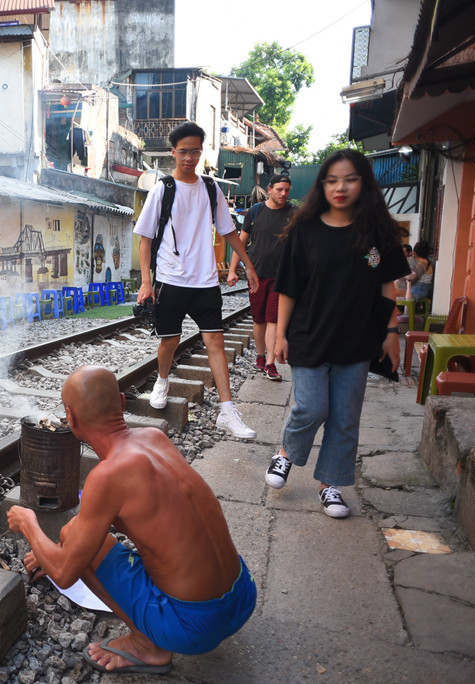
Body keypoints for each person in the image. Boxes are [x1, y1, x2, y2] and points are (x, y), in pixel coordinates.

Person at [7, 366, 255, 674]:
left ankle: (146, 646)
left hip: (194, 627)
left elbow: (65, 572)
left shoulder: (108, 477)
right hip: (243, 595)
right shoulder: (154, 437)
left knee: (71, 535)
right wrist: (55, 552)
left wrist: (28, 523)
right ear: (122, 404)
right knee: (78, 538)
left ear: (70, 419)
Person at [264, 150, 409, 518]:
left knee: (345, 417)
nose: (340, 187)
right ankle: (286, 454)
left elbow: (387, 287)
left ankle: (331, 485)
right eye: (331, 180)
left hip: (358, 339)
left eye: (350, 179)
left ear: (364, 183)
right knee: (312, 407)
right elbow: (288, 287)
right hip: (310, 335)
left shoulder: (377, 233)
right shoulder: (304, 230)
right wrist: (280, 336)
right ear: (322, 185)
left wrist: (391, 332)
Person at [135, 121, 260, 439]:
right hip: (170, 279)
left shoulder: (210, 188)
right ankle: (163, 379)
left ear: (202, 151)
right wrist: (146, 282)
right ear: (174, 152)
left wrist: (248, 265)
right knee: (170, 341)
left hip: (205, 281)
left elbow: (229, 231)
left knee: (215, 341)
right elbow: (145, 239)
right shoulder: (163, 189)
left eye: (196, 150)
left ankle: (227, 411)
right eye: (184, 151)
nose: (190, 157)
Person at [227, 174, 296, 381]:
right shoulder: (255, 212)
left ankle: (270, 363)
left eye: (287, 190)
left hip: (281, 277)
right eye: (279, 189)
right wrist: (232, 270)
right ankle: (260, 356)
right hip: (256, 275)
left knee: (272, 318)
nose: (283, 194)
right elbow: (241, 242)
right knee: (259, 320)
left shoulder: (294, 213)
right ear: (270, 189)